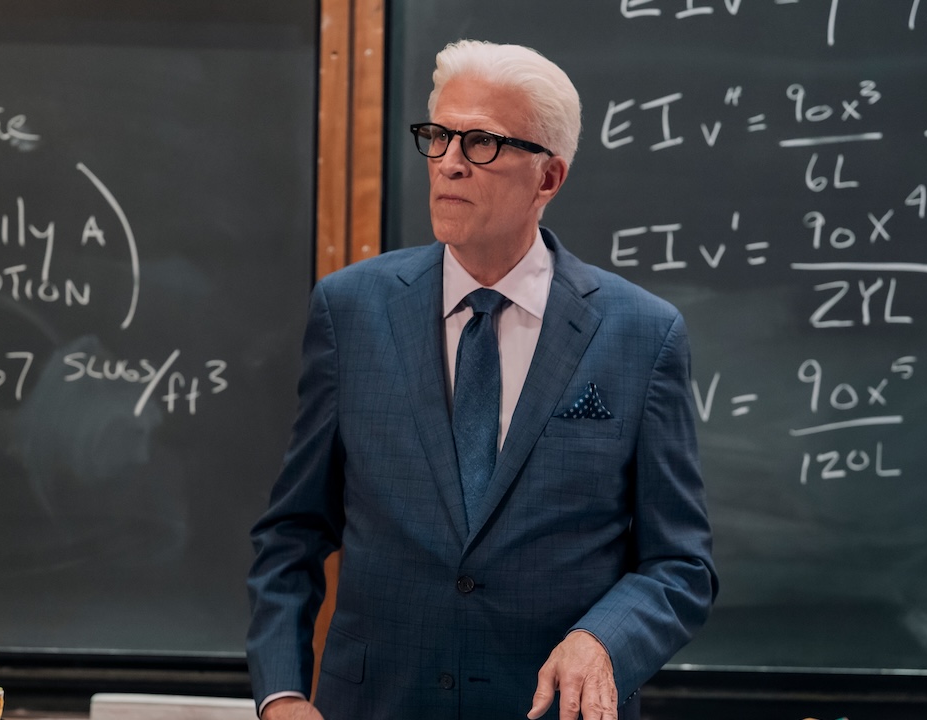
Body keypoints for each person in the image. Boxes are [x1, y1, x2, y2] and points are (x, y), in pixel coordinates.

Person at [247, 39, 716, 720]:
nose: (449, 163)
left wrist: (604, 641)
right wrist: (282, 694)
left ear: (548, 178)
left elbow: (680, 566)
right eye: (438, 137)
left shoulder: (642, 334)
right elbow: (292, 532)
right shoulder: (351, 310)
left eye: (482, 143)